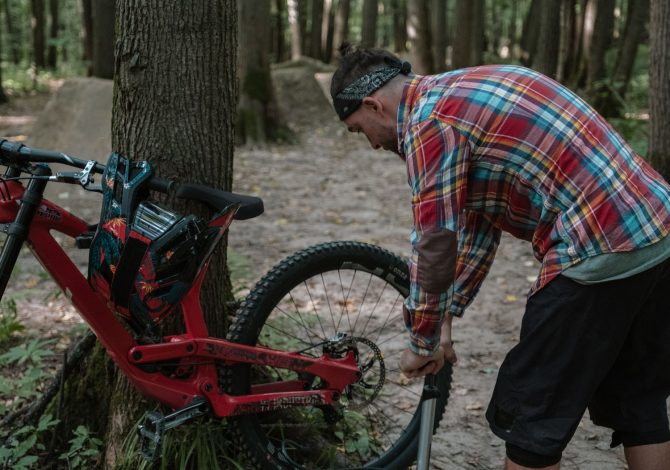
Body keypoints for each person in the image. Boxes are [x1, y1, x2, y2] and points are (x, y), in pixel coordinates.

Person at [329, 43, 670, 470]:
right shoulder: (461, 90)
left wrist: (420, 341)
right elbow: (477, 222)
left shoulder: (428, 124)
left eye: (360, 131)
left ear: (372, 105)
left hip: (598, 244)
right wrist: (445, 316)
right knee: (639, 404)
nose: (373, 145)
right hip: (657, 230)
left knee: (531, 418)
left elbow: (436, 241)